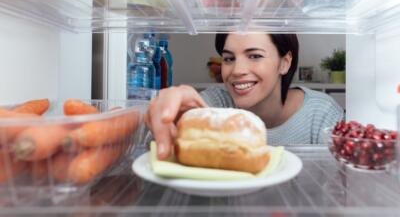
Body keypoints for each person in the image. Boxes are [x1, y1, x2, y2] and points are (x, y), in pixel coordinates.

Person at [145, 33, 344, 159]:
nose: (237, 70)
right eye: (229, 58)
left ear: (285, 62)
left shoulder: (321, 114)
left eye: (255, 56)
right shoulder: (217, 104)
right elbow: (190, 116)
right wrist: (169, 116)